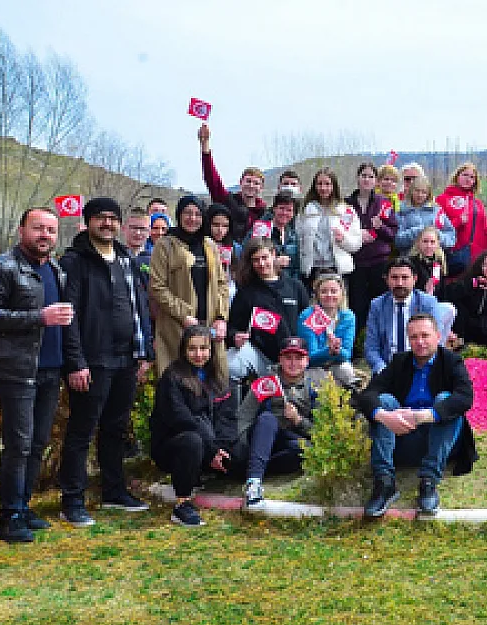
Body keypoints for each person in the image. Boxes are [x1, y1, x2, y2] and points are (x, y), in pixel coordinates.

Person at [0, 207, 73, 542]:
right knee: (18, 444)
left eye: (51, 230)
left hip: (50, 368)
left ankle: (24, 505)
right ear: (21, 231)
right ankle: (9, 516)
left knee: (37, 442)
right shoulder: (1, 267)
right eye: (38, 228)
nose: (45, 235)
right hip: (15, 369)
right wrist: (39, 317)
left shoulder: (57, 270)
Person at [58, 197, 155, 526]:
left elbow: (139, 307)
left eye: (113, 218)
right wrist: (75, 362)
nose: (108, 224)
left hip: (126, 358)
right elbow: (68, 318)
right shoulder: (75, 262)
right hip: (92, 361)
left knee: (116, 428)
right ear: (87, 222)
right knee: (81, 431)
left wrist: (144, 353)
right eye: (100, 218)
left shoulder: (126, 259)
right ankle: (72, 500)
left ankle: (114, 491)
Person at [358, 312, 477, 518]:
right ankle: (384, 483)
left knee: (445, 399)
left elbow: (465, 398)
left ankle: (429, 481)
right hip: (403, 437)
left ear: (438, 336)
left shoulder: (451, 361)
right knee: (384, 401)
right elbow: (367, 395)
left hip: (439, 439)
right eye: (414, 337)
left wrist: (424, 415)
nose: (420, 342)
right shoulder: (400, 361)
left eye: (425, 335)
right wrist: (385, 417)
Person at [149, 325, 235, 528]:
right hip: (175, 445)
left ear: (211, 350)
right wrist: (211, 448)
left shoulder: (217, 378)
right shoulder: (172, 377)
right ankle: (182, 504)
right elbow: (181, 420)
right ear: (184, 350)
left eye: (203, 348)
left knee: (237, 454)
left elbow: (227, 417)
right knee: (192, 441)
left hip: (208, 444)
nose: (198, 354)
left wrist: (222, 448)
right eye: (192, 349)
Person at [237, 336, 328, 510]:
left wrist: (298, 420)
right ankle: (254, 483)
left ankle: (257, 465)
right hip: (263, 437)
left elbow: (321, 433)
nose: (293, 363)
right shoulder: (266, 382)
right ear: (280, 359)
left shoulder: (315, 387)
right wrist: (244, 447)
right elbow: (244, 416)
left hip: (289, 443)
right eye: (288, 357)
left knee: (303, 449)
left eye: (298, 358)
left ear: (307, 361)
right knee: (267, 419)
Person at [150, 196, 231, 382]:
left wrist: (221, 318)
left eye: (197, 214)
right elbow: (158, 287)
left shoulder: (209, 245)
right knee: (179, 382)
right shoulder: (165, 245)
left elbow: (222, 284)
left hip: (209, 326)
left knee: (215, 382)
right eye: (187, 213)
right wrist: (183, 315)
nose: (192, 218)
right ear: (178, 215)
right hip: (177, 326)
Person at [228, 237, 313, 383]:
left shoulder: (295, 286)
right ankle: (240, 399)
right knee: (231, 364)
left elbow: (308, 322)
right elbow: (233, 327)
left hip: (294, 355)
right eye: (255, 260)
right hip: (261, 355)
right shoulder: (246, 292)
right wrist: (235, 337)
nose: (261, 264)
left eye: (264, 257)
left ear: (274, 255)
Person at [365, 258, 455, 375]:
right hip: (387, 368)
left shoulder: (428, 303)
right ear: (386, 280)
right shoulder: (377, 305)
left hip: (421, 368)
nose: (400, 283)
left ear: (414, 279)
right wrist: (382, 369)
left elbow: (435, 343)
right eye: (394, 278)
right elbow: (371, 348)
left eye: (405, 277)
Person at [347, 162, 399, 331]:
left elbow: (392, 234)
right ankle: (359, 346)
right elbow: (340, 229)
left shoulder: (383, 203)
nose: (367, 179)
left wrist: (379, 227)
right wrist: (358, 234)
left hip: (379, 262)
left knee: (381, 305)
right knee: (358, 306)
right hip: (356, 263)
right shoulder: (347, 203)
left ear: (376, 180)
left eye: (371, 176)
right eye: (364, 175)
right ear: (357, 178)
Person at [198, 123, 267, 242]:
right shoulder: (227, 201)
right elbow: (212, 179)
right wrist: (205, 145)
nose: (251, 185)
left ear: (261, 188)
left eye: (256, 183)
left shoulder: (265, 213)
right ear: (241, 183)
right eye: (248, 181)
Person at [296, 167, 363, 289]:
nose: (323, 188)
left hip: (338, 269)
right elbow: (299, 240)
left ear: (334, 186)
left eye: (327, 184)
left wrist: (343, 239)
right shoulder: (305, 211)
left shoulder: (346, 210)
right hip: (312, 269)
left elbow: (356, 244)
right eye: (319, 184)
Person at [442, 250, 487, 350]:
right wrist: (471, 285)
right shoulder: (471, 282)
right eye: (485, 265)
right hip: (468, 329)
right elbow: (448, 294)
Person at [297, 273, 358, 388]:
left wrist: (336, 350)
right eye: (324, 291)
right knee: (322, 378)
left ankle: (349, 403)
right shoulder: (307, 316)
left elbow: (347, 354)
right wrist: (328, 351)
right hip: (314, 366)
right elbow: (309, 358)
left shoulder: (348, 316)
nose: (329, 295)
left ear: (341, 294)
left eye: (334, 291)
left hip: (338, 363)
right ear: (317, 295)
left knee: (346, 371)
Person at [436, 162, 487, 278]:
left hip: (477, 258)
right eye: (465, 175)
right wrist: (457, 221)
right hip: (454, 256)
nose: (468, 179)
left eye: (472, 177)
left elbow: (485, 229)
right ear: (457, 176)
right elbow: (437, 229)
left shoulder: (478, 204)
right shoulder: (443, 199)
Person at [396, 175, 457, 256]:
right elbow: (398, 241)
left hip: (434, 259)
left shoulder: (436, 210)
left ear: (428, 194)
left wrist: (435, 235)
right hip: (409, 259)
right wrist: (418, 231)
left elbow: (451, 238)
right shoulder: (401, 211)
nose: (420, 195)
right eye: (417, 191)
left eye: (423, 192)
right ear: (411, 191)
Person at [258, 190, 301, 283]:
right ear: (274, 208)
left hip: (287, 285)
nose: (284, 213)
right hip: (264, 284)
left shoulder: (293, 235)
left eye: (289, 210)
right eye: (281, 208)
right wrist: (273, 262)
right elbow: (249, 258)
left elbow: (296, 267)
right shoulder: (260, 230)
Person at [203, 203, 239, 299]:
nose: (220, 230)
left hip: (229, 296)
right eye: (215, 225)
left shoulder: (235, 247)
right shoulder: (199, 244)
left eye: (225, 226)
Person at [408, 226, 449, 297]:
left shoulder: (439, 262)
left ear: (437, 244)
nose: (428, 246)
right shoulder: (411, 263)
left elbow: (442, 291)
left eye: (432, 242)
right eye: (425, 241)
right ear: (418, 243)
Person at [122, 209, 152, 284]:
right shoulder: (114, 259)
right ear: (123, 228)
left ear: (149, 232)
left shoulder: (156, 261)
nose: (138, 233)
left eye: (142, 229)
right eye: (133, 228)